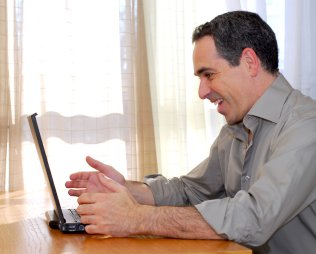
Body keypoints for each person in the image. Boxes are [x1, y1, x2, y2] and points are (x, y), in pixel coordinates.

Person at [65, 11, 316, 254]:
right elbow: (192, 191)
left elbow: (254, 217)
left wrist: (136, 218)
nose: (202, 92)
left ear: (249, 62)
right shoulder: (237, 127)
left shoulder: (307, 125)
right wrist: (128, 190)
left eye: (209, 75)